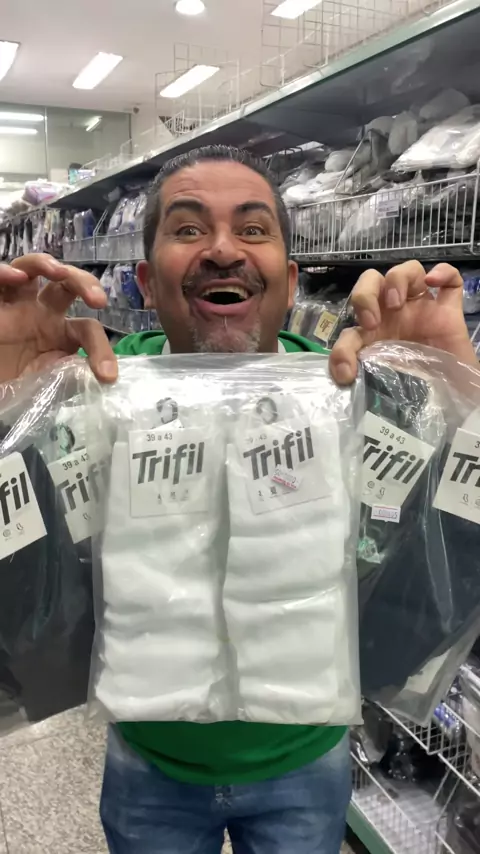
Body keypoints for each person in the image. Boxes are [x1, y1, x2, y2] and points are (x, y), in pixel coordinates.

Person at [0, 145, 476, 854]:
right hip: (149, 763)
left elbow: (447, 567)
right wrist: (9, 404)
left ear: (290, 280)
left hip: (306, 760)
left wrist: (456, 393)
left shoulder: (354, 398)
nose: (223, 250)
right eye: (189, 229)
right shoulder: (90, 396)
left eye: (253, 229)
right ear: (145, 280)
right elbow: (22, 582)